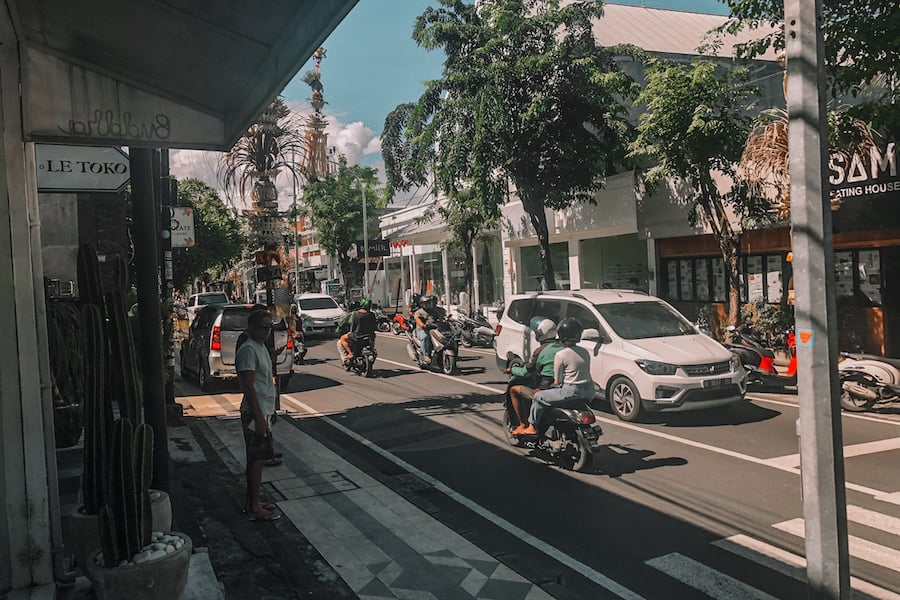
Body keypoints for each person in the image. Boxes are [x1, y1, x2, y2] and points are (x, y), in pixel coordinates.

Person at [236, 309, 284, 521]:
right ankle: (254, 507)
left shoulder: (261, 347)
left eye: (269, 327)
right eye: (263, 327)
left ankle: (253, 501)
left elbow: (264, 381)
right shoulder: (248, 350)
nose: (267, 331)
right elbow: (248, 387)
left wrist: (270, 411)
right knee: (256, 459)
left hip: (264, 411)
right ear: (252, 327)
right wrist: (258, 417)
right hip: (255, 413)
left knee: (261, 459)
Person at [519, 318, 593, 436]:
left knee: (538, 397)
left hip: (571, 391)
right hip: (589, 391)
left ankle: (532, 426)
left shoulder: (561, 354)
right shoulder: (585, 352)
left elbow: (557, 381)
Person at [506, 318, 564, 435]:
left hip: (546, 388)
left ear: (541, 334)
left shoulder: (540, 351)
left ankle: (523, 425)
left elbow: (526, 372)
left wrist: (512, 369)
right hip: (564, 387)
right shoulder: (563, 346)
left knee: (514, 390)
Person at [338, 297, 377, 366]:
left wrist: (350, 332)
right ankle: (371, 350)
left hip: (357, 336)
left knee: (342, 338)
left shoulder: (356, 314)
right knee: (372, 344)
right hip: (369, 336)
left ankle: (350, 353)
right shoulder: (372, 314)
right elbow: (374, 326)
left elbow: (353, 326)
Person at [414, 295, 438, 364]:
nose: (428, 305)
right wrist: (422, 325)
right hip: (422, 330)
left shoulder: (433, 311)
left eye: (429, 303)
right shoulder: (419, 312)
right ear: (422, 304)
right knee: (425, 337)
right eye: (426, 303)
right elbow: (417, 319)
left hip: (433, 329)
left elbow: (439, 318)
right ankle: (426, 355)